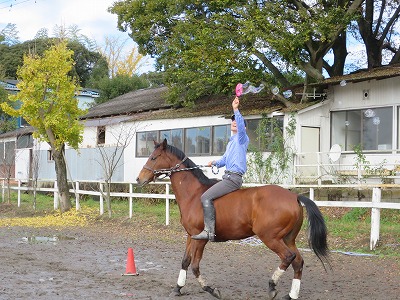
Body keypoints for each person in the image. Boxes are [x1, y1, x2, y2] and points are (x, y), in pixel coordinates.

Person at [192, 96, 249, 241]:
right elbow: (224, 159)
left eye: (236, 120)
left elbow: (240, 125)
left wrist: (236, 109)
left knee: (205, 197)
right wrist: (214, 163)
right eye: (232, 121)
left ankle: (209, 231)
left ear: (243, 127)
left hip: (233, 178)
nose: (234, 122)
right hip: (227, 176)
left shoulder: (242, 138)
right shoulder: (231, 142)